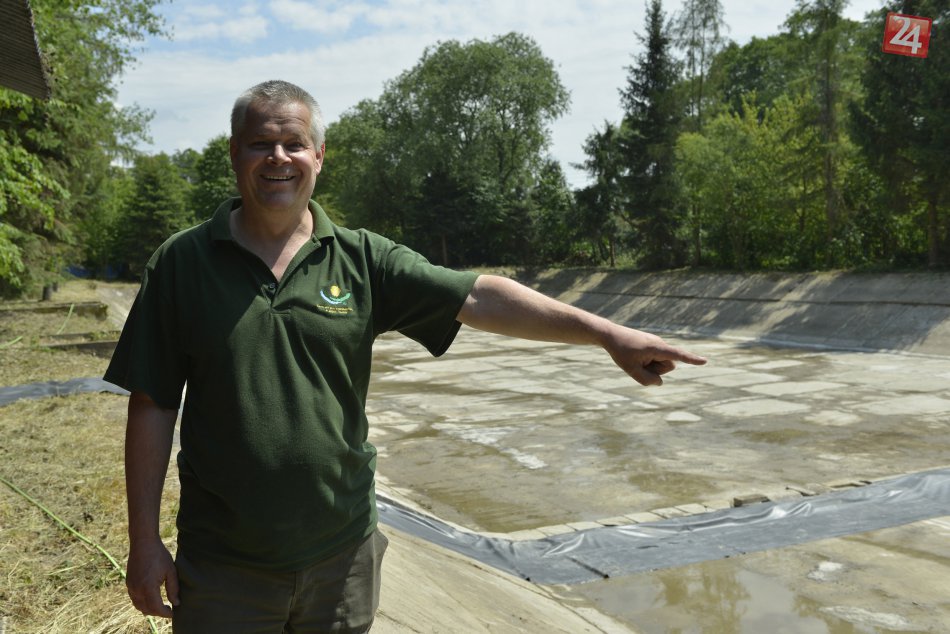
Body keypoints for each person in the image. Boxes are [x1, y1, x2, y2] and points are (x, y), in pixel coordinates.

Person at [104, 79, 706, 633]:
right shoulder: (181, 264)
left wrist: (606, 334)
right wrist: (144, 541)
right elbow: (153, 405)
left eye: (294, 143)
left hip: (342, 559)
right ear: (234, 152)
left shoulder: (363, 260)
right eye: (261, 143)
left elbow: (479, 294)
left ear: (318, 156)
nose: (278, 158)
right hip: (224, 566)